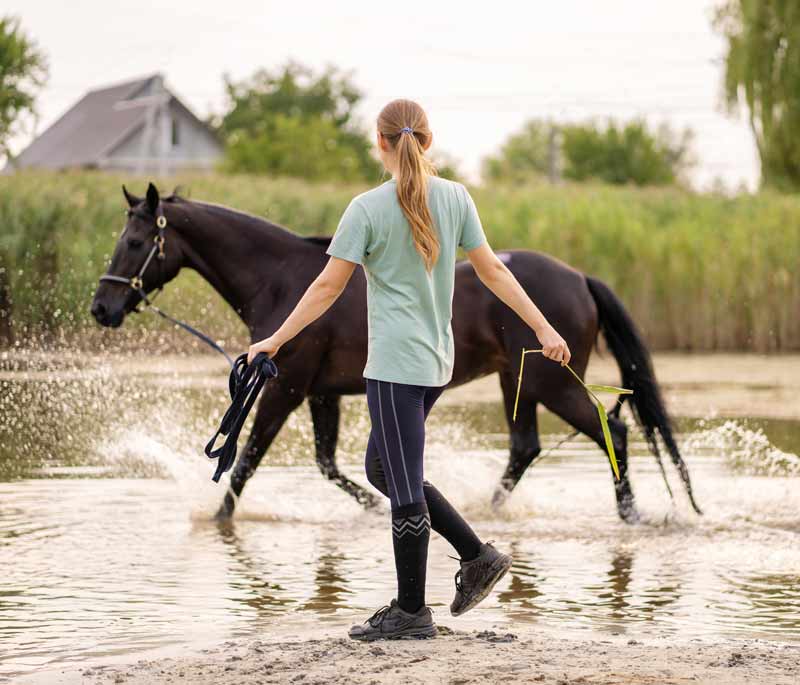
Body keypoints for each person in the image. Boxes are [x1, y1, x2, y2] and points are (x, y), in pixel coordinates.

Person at [247, 99, 571, 641]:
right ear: (427, 141)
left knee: (399, 483)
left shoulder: (367, 209)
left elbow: (327, 287)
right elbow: (491, 271)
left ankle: (411, 610)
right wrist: (544, 328)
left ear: (380, 144)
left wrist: (276, 341)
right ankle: (476, 556)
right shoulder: (456, 198)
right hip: (435, 363)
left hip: (396, 366)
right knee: (383, 468)